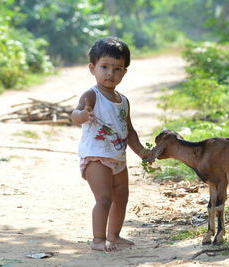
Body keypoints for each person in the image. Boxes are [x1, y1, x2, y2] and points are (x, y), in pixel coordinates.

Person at [71, 37, 149, 252]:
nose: (110, 73)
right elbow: (74, 115)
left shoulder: (123, 100)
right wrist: (82, 115)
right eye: (104, 67)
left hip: (118, 158)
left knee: (121, 198)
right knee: (104, 198)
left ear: (124, 72)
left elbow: (130, 132)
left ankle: (113, 236)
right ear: (92, 68)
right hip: (96, 157)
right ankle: (98, 239)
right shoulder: (91, 95)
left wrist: (143, 152)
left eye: (117, 69)